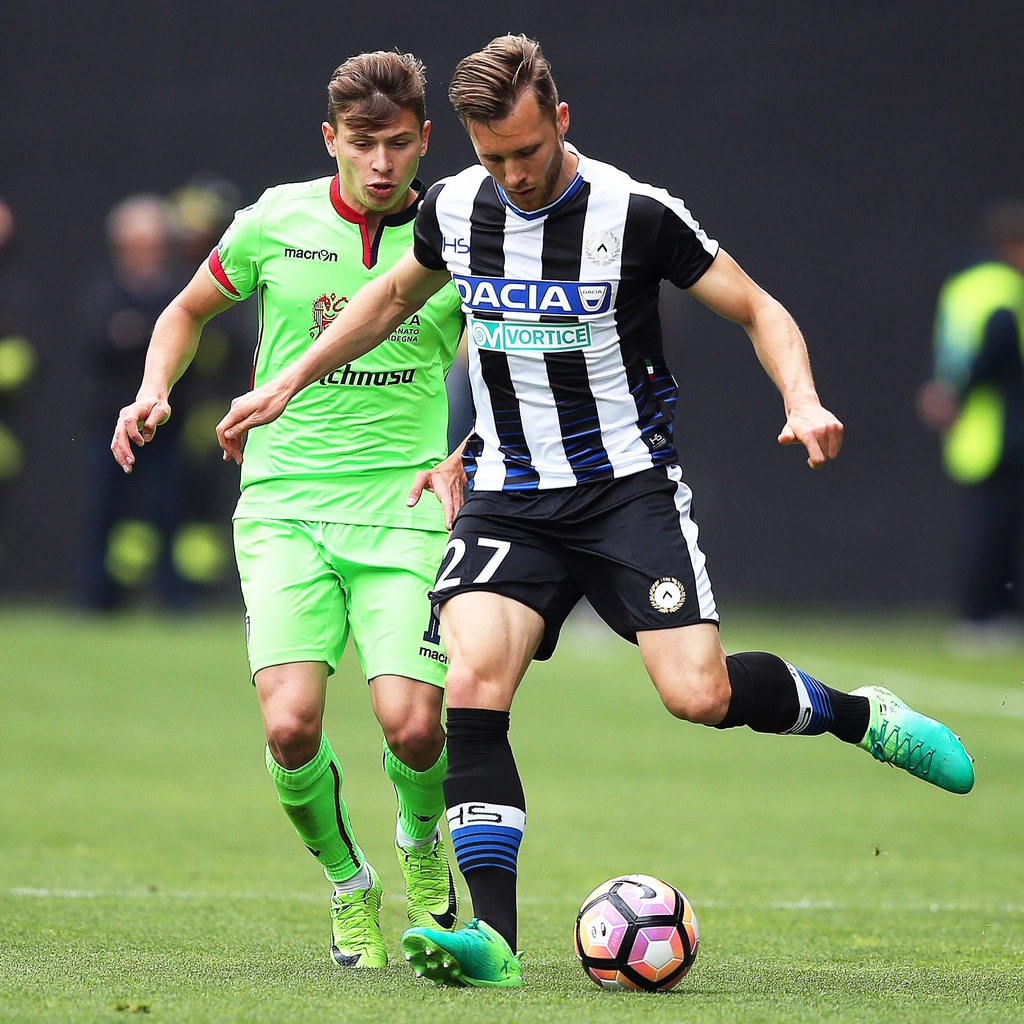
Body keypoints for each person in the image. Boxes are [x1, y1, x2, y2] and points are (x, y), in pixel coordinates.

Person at [214, 35, 976, 989]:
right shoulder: (454, 208)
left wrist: (803, 397)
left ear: (561, 121)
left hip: (624, 493)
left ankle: (860, 714)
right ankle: (489, 937)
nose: (513, 176)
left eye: (526, 153)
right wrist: (287, 382)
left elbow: (761, 310)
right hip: (507, 497)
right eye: (491, 157)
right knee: (472, 686)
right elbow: (389, 299)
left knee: (696, 695)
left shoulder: (636, 213)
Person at [111, 52, 467, 969]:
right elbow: (184, 312)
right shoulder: (276, 219)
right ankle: (351, 888)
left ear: (426, 139)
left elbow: (505, 360)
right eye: (362, 145)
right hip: (284, 507)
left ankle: (424, 848)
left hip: (404, 505)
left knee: (414, 723)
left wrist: (472, 453)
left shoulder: (458, 232)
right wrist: (153, 389)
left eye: (398, 144)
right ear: (331, 142)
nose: (381, 163)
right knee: (289, 724)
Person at [917, 199, 1024, 649]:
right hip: (1002, 428)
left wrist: (944, 392)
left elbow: (954, 349)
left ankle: (982, 615)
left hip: (972, 429)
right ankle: (987, 616)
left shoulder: (964, 285)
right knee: (995, 527)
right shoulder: (1004, 287)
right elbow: (997, 348)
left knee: (985, 523)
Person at [80, 194, 191, 610]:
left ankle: (175, 600)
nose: (142, 254)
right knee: (102, 513)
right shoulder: (103, 294)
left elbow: (187, 343)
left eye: (150, 244)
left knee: (169, 511)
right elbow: (96, 344)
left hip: (163, 425)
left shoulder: (177, 293)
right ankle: (95, 602)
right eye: (134, 245)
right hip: (108, 422)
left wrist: (134, 333)